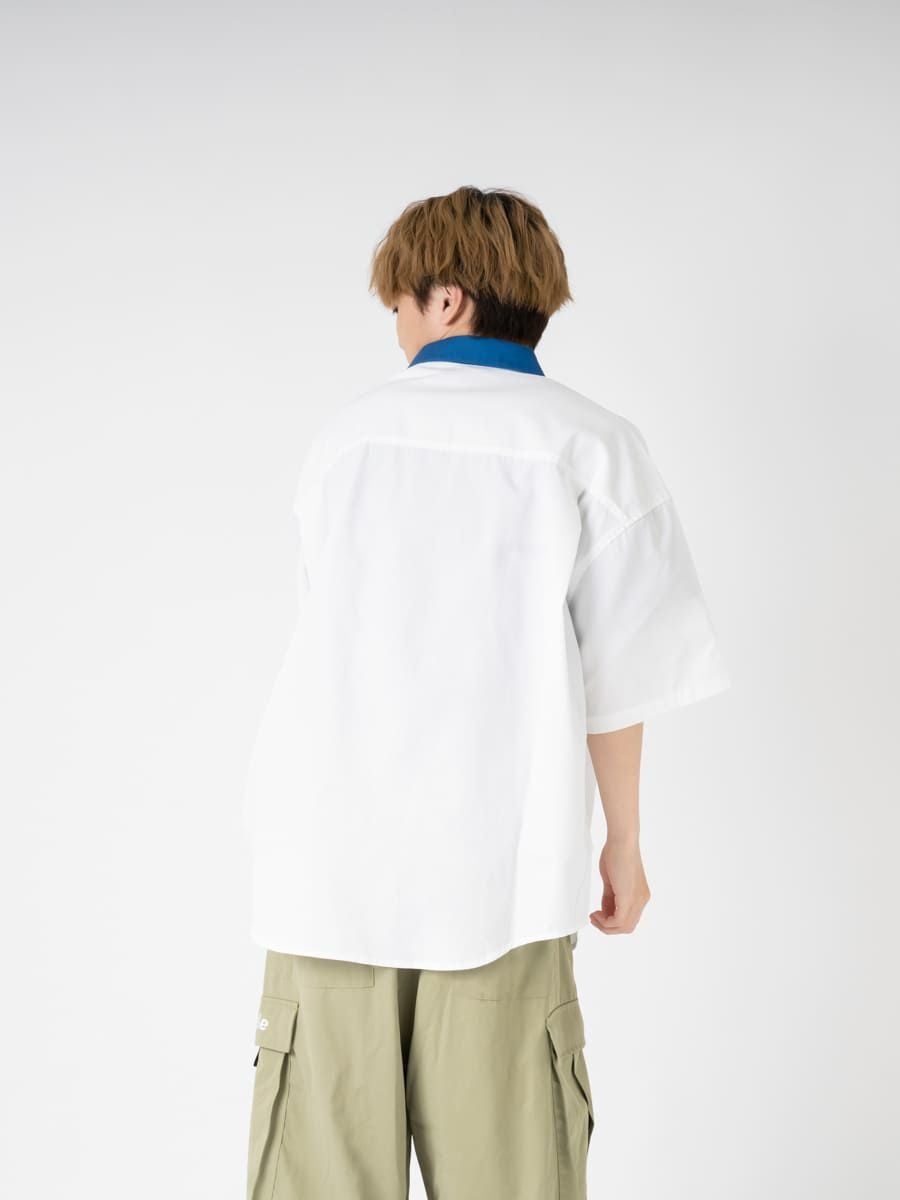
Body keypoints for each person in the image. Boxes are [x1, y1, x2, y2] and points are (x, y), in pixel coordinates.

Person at [241, 185, 732, 1199]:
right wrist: (625, 843)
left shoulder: (348, 439)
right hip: (503, 880)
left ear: (448, 298)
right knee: (513, 1179)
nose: (396, 326)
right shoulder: (594, 445)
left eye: (399, 304)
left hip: (329, 880)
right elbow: (620, 674)